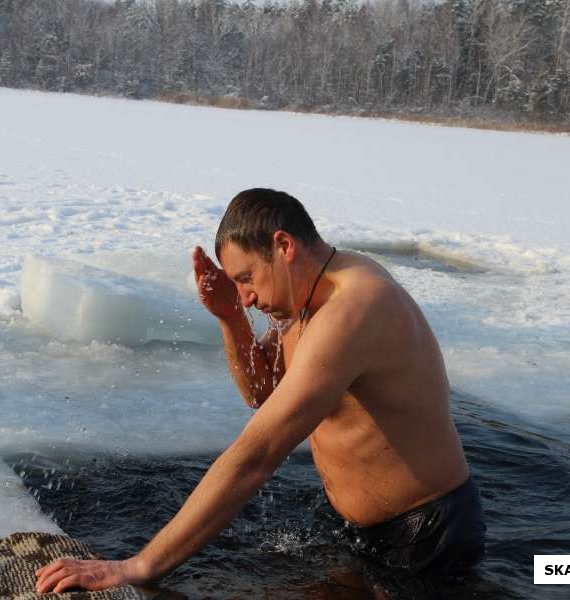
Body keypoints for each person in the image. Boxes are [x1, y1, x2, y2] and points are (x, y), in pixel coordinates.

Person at [35, 188, 485, 594]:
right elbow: (264, 391)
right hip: (360, 527)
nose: (247, 296)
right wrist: (231, 318)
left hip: (425, 536)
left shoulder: (354, 310)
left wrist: (139, 566)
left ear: (284, 246)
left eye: (246, 278)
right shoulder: (307, 292)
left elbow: (257, 454)